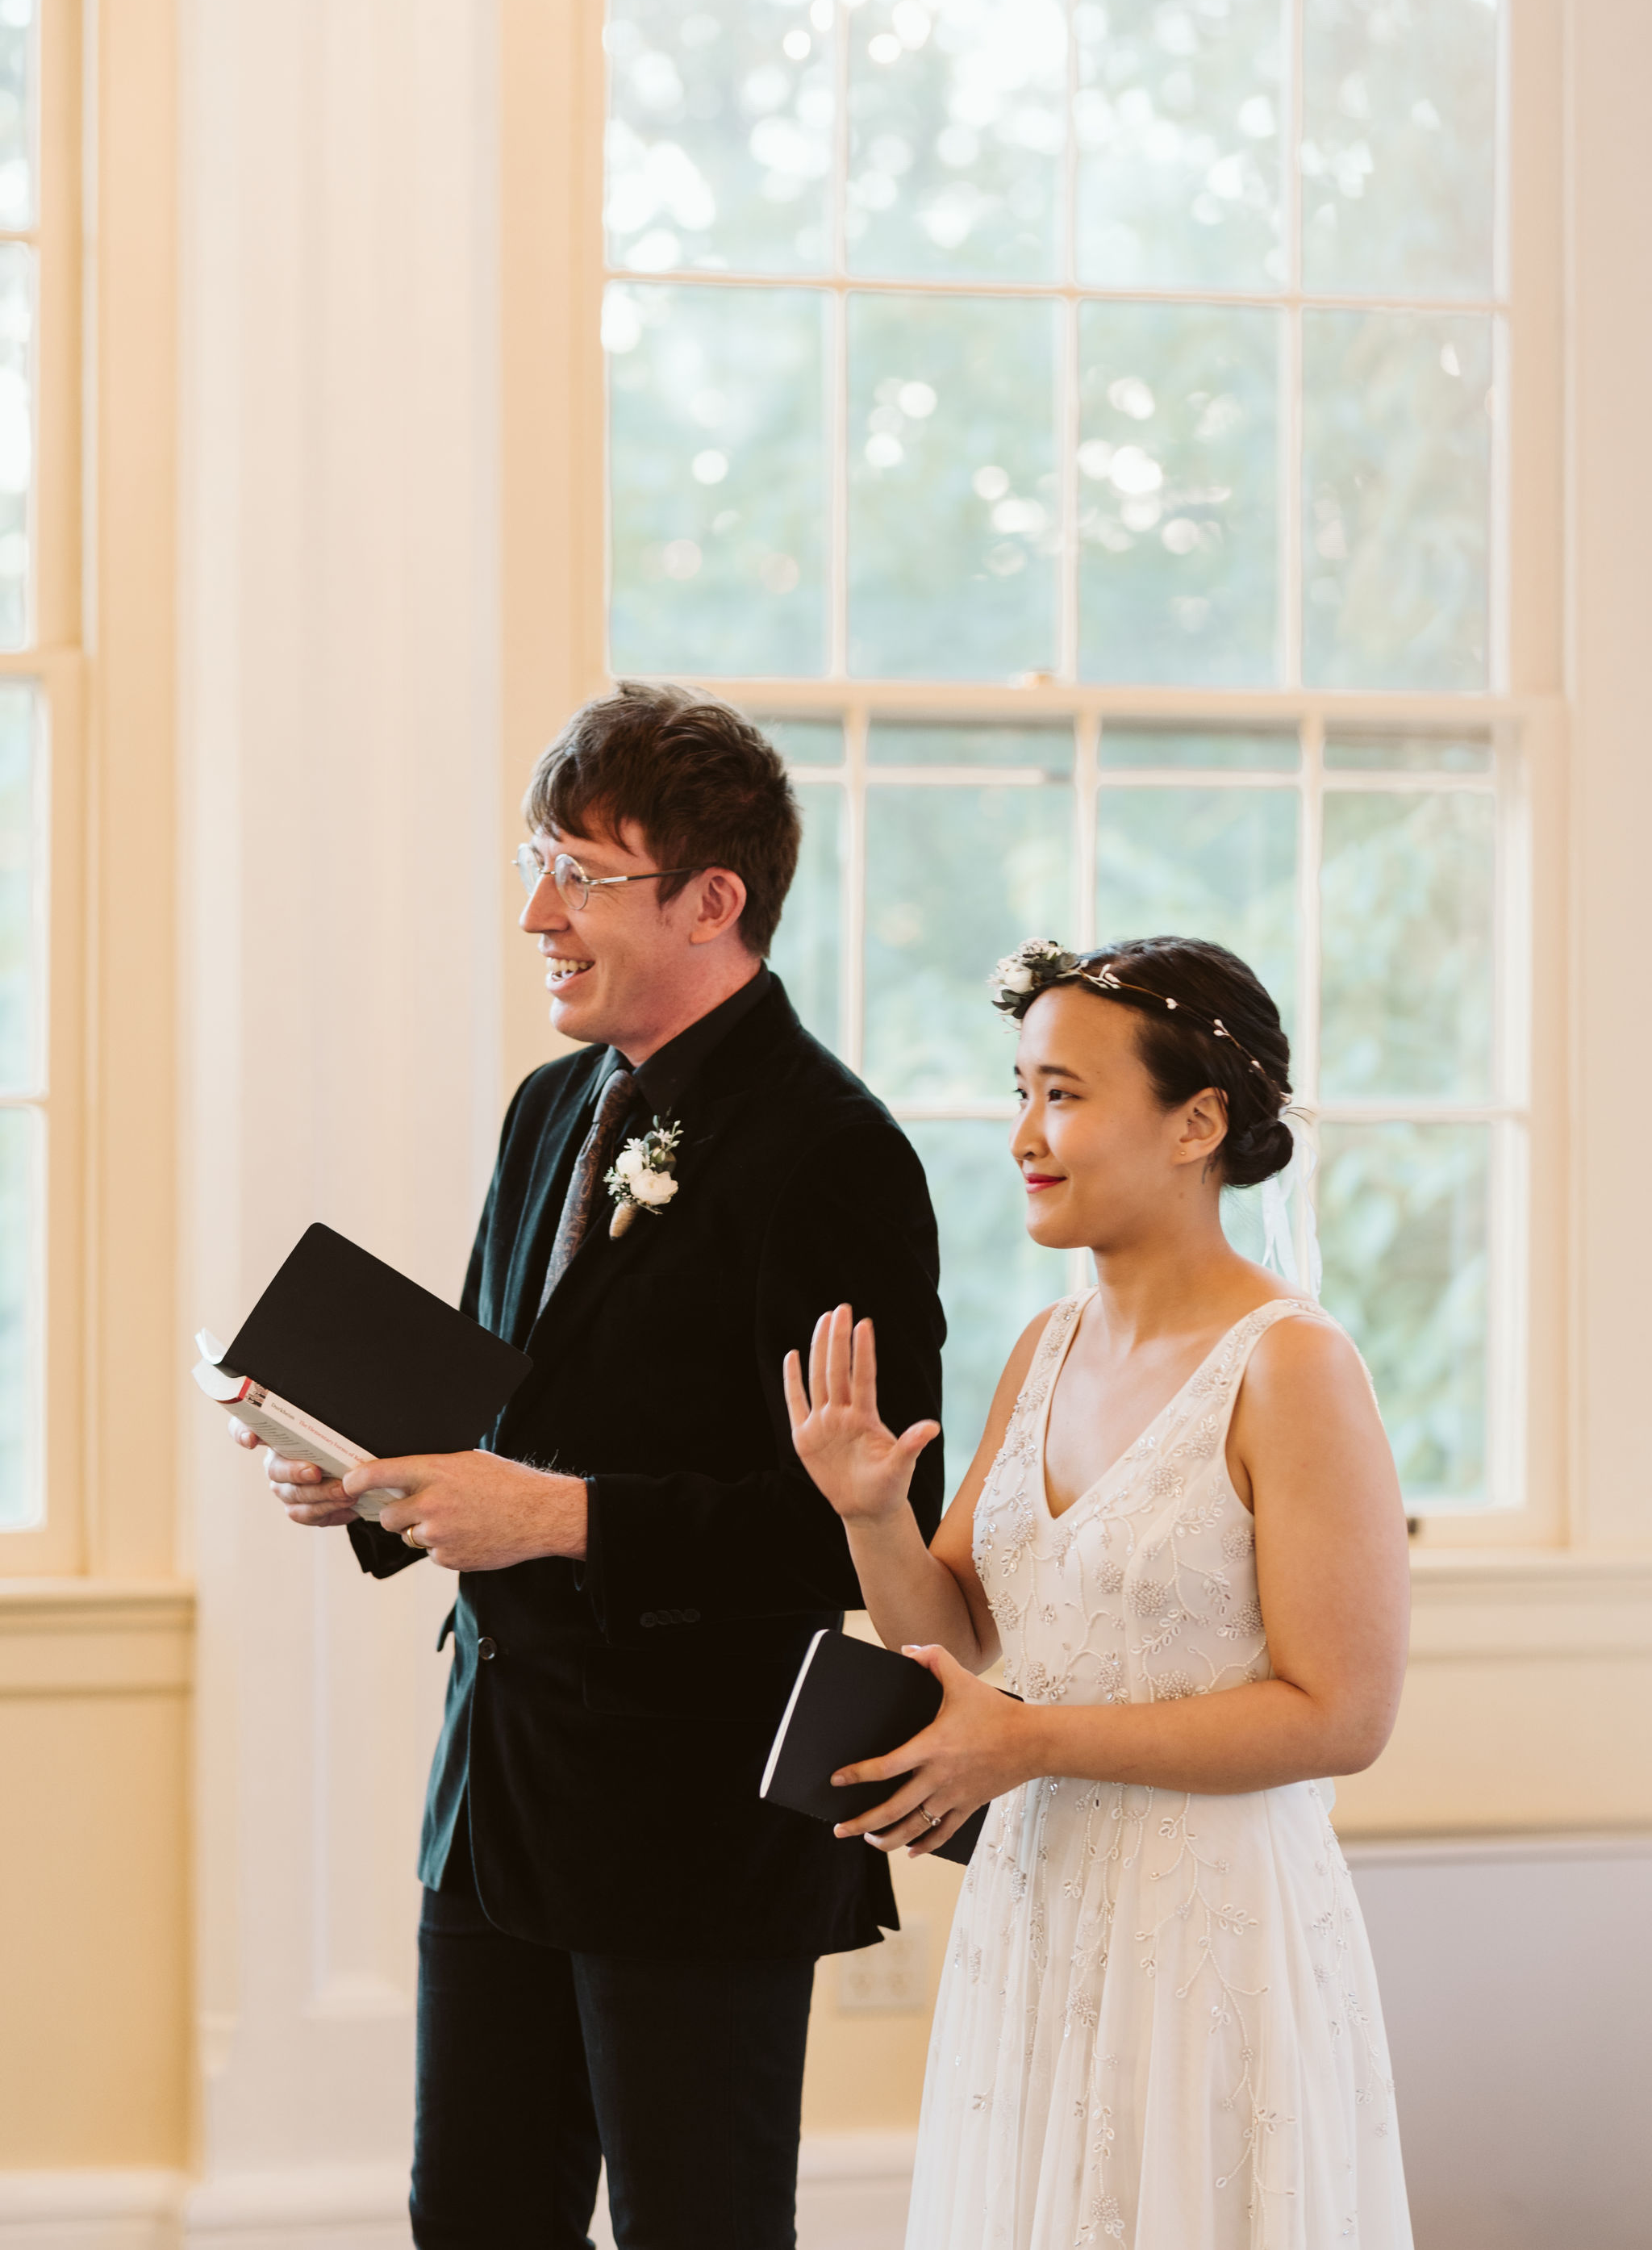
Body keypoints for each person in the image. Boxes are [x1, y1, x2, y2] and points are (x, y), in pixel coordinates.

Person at [232, 681, 947, 2250]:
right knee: (474, 2218)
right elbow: (508, 1411)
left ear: (712, 899)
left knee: (700, 2225)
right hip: (493, 1794)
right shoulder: (550, 1106)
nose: (536, 912)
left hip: (692, 1819)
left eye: (580, 872)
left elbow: (859, 1531)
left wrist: (558, 1517)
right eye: (529, 861)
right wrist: (374, 1476)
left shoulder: (832, 1151)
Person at [785, 935, 1414, 2250]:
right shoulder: (1046, 1346)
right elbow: (944, 1637)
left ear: (1199, 1122)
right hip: (1038, 1908)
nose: (1026, 1131)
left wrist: (1033, 1739)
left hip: (1211, 1936)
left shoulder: (1292, 1366)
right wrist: (871, 1515)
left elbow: (1341, 1714)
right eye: (1021, 1089)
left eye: (1064, 1094)